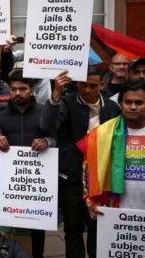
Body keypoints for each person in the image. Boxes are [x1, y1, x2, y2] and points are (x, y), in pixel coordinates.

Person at [39, 67, 121, 258]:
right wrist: (56, 94)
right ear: (77, 84)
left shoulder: (112, 108)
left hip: (101, 179)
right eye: (83, 85)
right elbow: (47, 126)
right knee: (73, 230)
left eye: (93, 86)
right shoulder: (66, 102)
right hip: (72, 177)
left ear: (102, 85)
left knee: (98, 230)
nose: (87, 90)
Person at [0, 71, 55, 258]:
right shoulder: (1, 115)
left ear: (32, 90)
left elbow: (57, 137)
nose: (17, 93)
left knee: (37, 224)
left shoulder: (45, 111)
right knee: (11, 222)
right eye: (13, 89)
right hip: (12, 180)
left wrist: (47, 142)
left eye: (22, 89)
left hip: (38, 180)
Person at [81, 79, 145, 217]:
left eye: (139, 103)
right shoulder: (101, 133)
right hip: (113, 211)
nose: (133, 107)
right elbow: (89, 171)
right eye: (128, 102)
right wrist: (91, 202)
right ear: (120, 104)